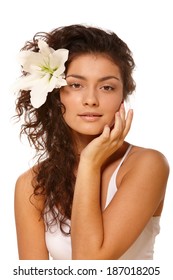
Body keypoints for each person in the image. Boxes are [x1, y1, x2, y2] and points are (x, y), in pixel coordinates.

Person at [13, 24, 169, 260]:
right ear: (54, 94)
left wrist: (89, 162)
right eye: (75, 84)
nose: (91, 100)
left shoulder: (148, 165)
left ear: (122, 96)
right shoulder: (32, 184)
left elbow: (89, 265)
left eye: (107, 87)